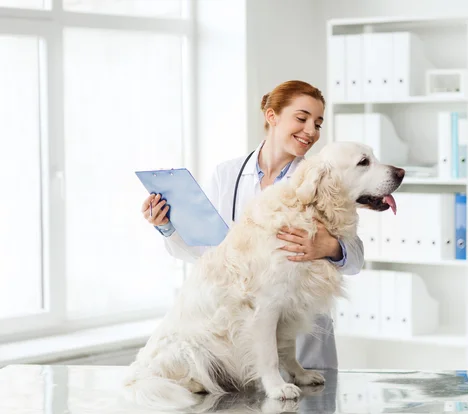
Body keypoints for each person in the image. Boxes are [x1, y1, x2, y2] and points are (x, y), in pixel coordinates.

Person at [140, 80, 364, 370]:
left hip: (302, 338)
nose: (311, 131)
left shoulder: (323, 179)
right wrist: (168, 227)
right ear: (271, 116)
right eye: (302, 118)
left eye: (318, 123)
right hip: (241, 336)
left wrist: (331, 247)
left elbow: (356, 258)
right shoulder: (228, 175)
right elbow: (209, 255)